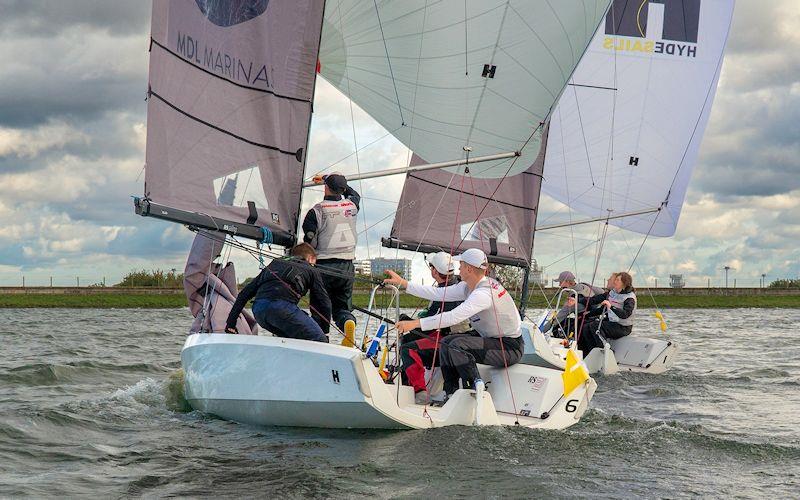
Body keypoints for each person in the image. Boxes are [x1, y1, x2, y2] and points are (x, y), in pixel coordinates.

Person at [385, 248, 523, 399]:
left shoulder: (483, 294)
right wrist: (403, 283)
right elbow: (437, 293)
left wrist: (414, 324)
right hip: (494, 341)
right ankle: (451, 393)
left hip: (509, 349)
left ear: (469, 269)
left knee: (456, 345)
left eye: (461, 264)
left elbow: (453, 317)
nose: (458, 268)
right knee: (446, 342)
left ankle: (474, 392)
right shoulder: (469, 287)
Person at [225, 243, 331, 342]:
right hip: (281, 308)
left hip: (259, 312)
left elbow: (244, 294)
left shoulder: (275, 263)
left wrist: (231, 323)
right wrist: (325, 332)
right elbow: (324, 303)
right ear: (311, 258)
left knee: (293, 340)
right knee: (319, 339)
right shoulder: (310, 268)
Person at [398, 252, 468, 394]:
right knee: (409, 338)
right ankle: (408, 383)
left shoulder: (444, 292)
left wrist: (408, 322)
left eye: (431, 267)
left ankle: (417, 391)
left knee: (407, 347)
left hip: (447, 339)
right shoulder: (459, 285)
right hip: (461, 337)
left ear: (435, 271)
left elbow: (428, 324)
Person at [302, 173, 360, 332]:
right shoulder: (352, 205)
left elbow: (309, 241)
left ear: (325, 187)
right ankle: (348, 321)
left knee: (320, 310)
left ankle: (323, 339)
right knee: (342, 309)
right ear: (342, 189)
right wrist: (330, 179)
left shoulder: (317, 211)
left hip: (323, 266)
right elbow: (354, 194)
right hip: (347, 266)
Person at [569, 271, 636, 356]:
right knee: (585, 327)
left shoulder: (630, 298)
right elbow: (593, 300)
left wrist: (610, 306)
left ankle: (607, 353)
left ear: (624, 283)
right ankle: (588, 354)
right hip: (612, 323)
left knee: (595, 326)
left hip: (623, 327)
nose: (615, 281)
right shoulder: (612, 293)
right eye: (615, 279)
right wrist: (577, 300)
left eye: (618, 280)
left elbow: (626, 314)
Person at [545, 271, 604, 338]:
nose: (559, 285)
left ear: (567, 282)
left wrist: (541, 330)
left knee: (559, 324)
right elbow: (602, 291)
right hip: (595, 319)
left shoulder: (572, 300)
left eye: (561, 282)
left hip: (584, 322)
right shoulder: (584, 285)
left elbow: (558, 318)